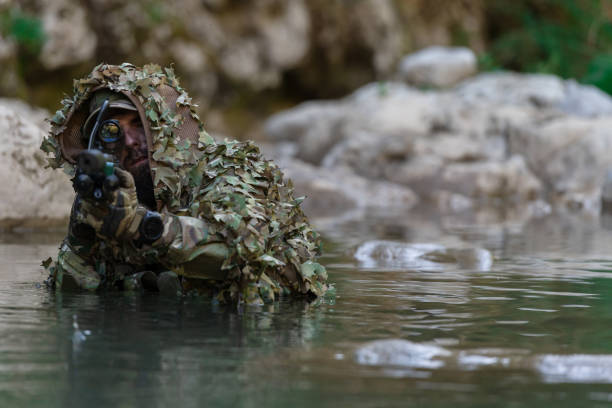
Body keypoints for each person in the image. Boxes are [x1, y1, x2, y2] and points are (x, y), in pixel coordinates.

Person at [41, 63, 329, 305]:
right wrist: (81, 236)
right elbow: (68, 300)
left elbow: (237, 248)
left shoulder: (232, 168)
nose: (130, 142)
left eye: (140, 125)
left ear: (167, 130)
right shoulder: (117, 194)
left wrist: (142, 227)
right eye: (112, 131)